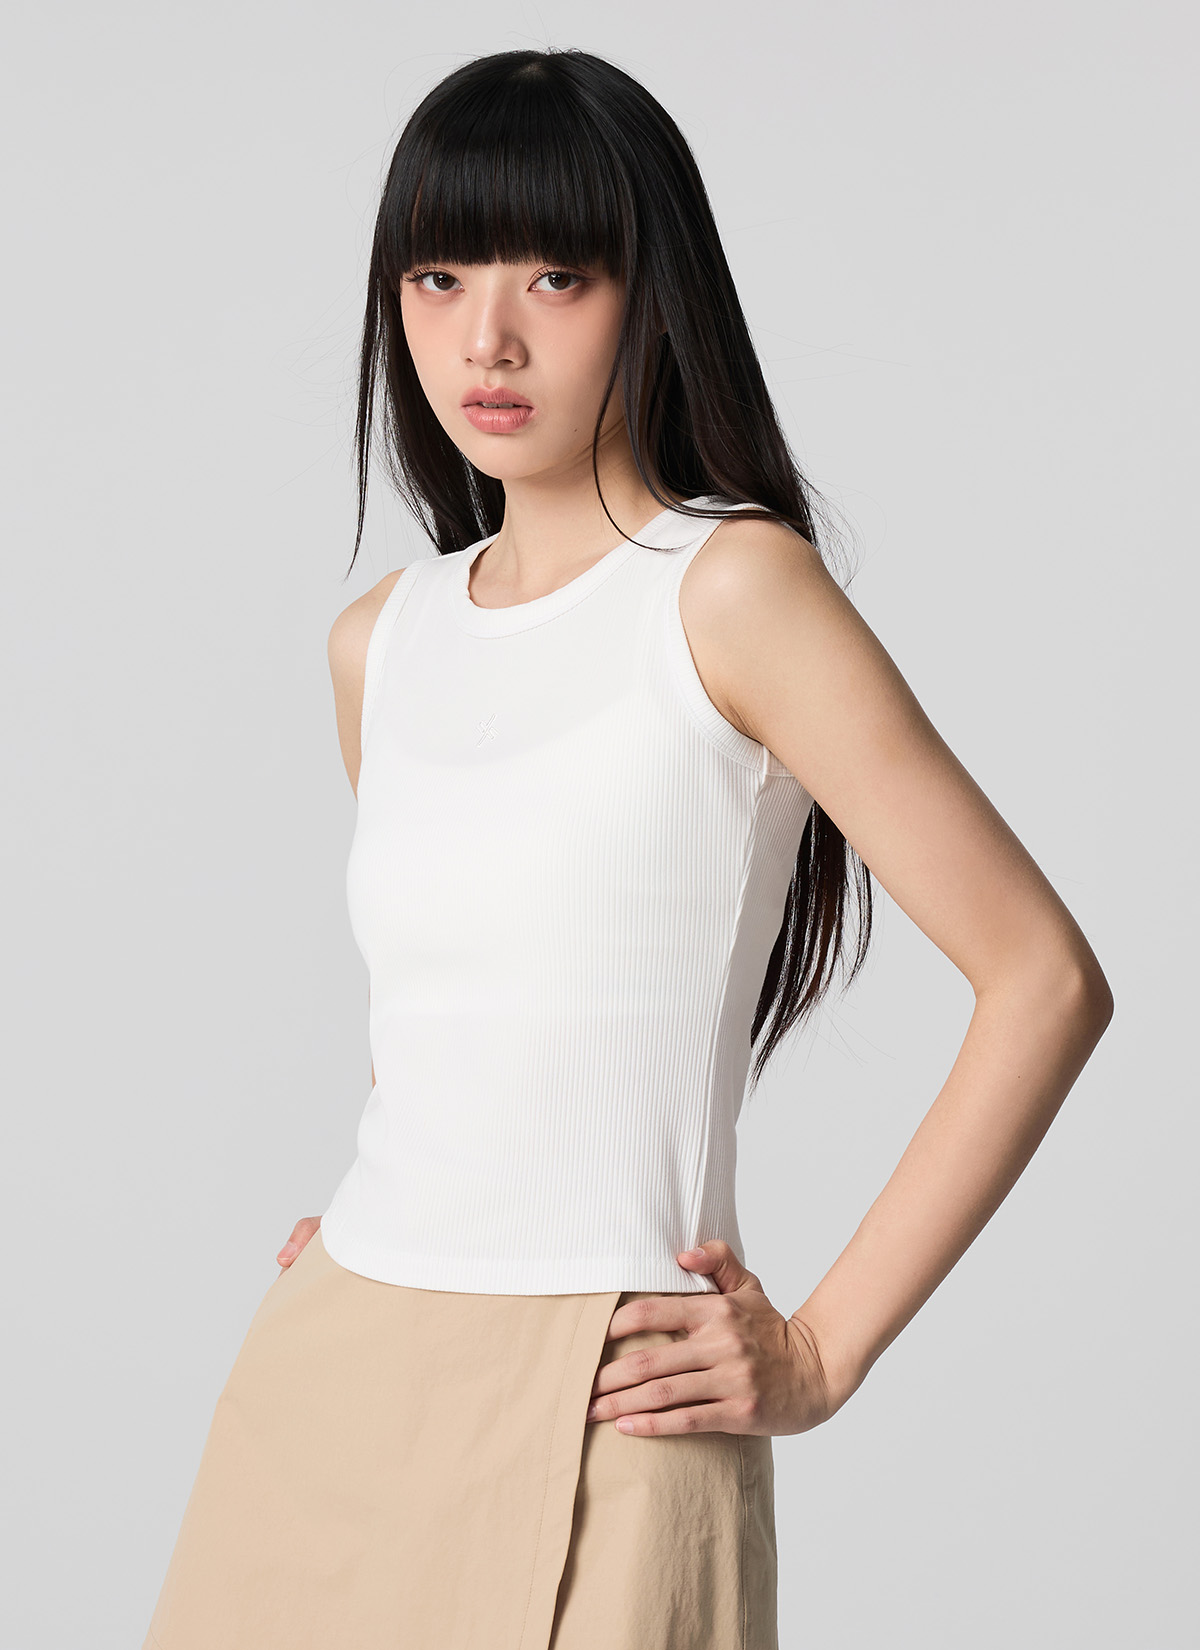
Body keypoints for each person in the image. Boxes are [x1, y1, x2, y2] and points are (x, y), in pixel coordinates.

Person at [141, 45, 1114, 1650]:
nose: (487, 337)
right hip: (337, 1370)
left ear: (647, 293)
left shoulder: (732, 591)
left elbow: (1045, 978)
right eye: (439, 276)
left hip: (613, 1388)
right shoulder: (380, 641)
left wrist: (822, 1350)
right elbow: (458, 998)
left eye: (556, 275)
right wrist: (383, 1224)